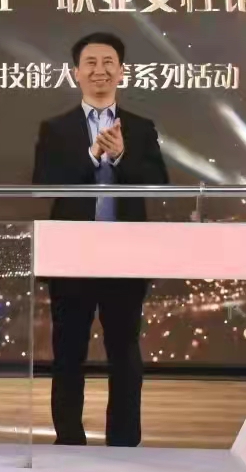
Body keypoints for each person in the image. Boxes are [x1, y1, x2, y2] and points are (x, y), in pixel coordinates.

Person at [33, 32, 169, 448]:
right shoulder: (55, 128)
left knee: (124, 351)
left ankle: (124, 443)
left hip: (126, 255)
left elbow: (158, 184)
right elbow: (44, 184)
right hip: (71, 255)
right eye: (90, 63)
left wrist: (123, 156)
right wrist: (91, 157)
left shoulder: (141, 128)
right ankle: (69, 442)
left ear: (122, 72)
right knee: (68, 352)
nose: (99, 70)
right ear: (76, 73)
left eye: (108, 62)